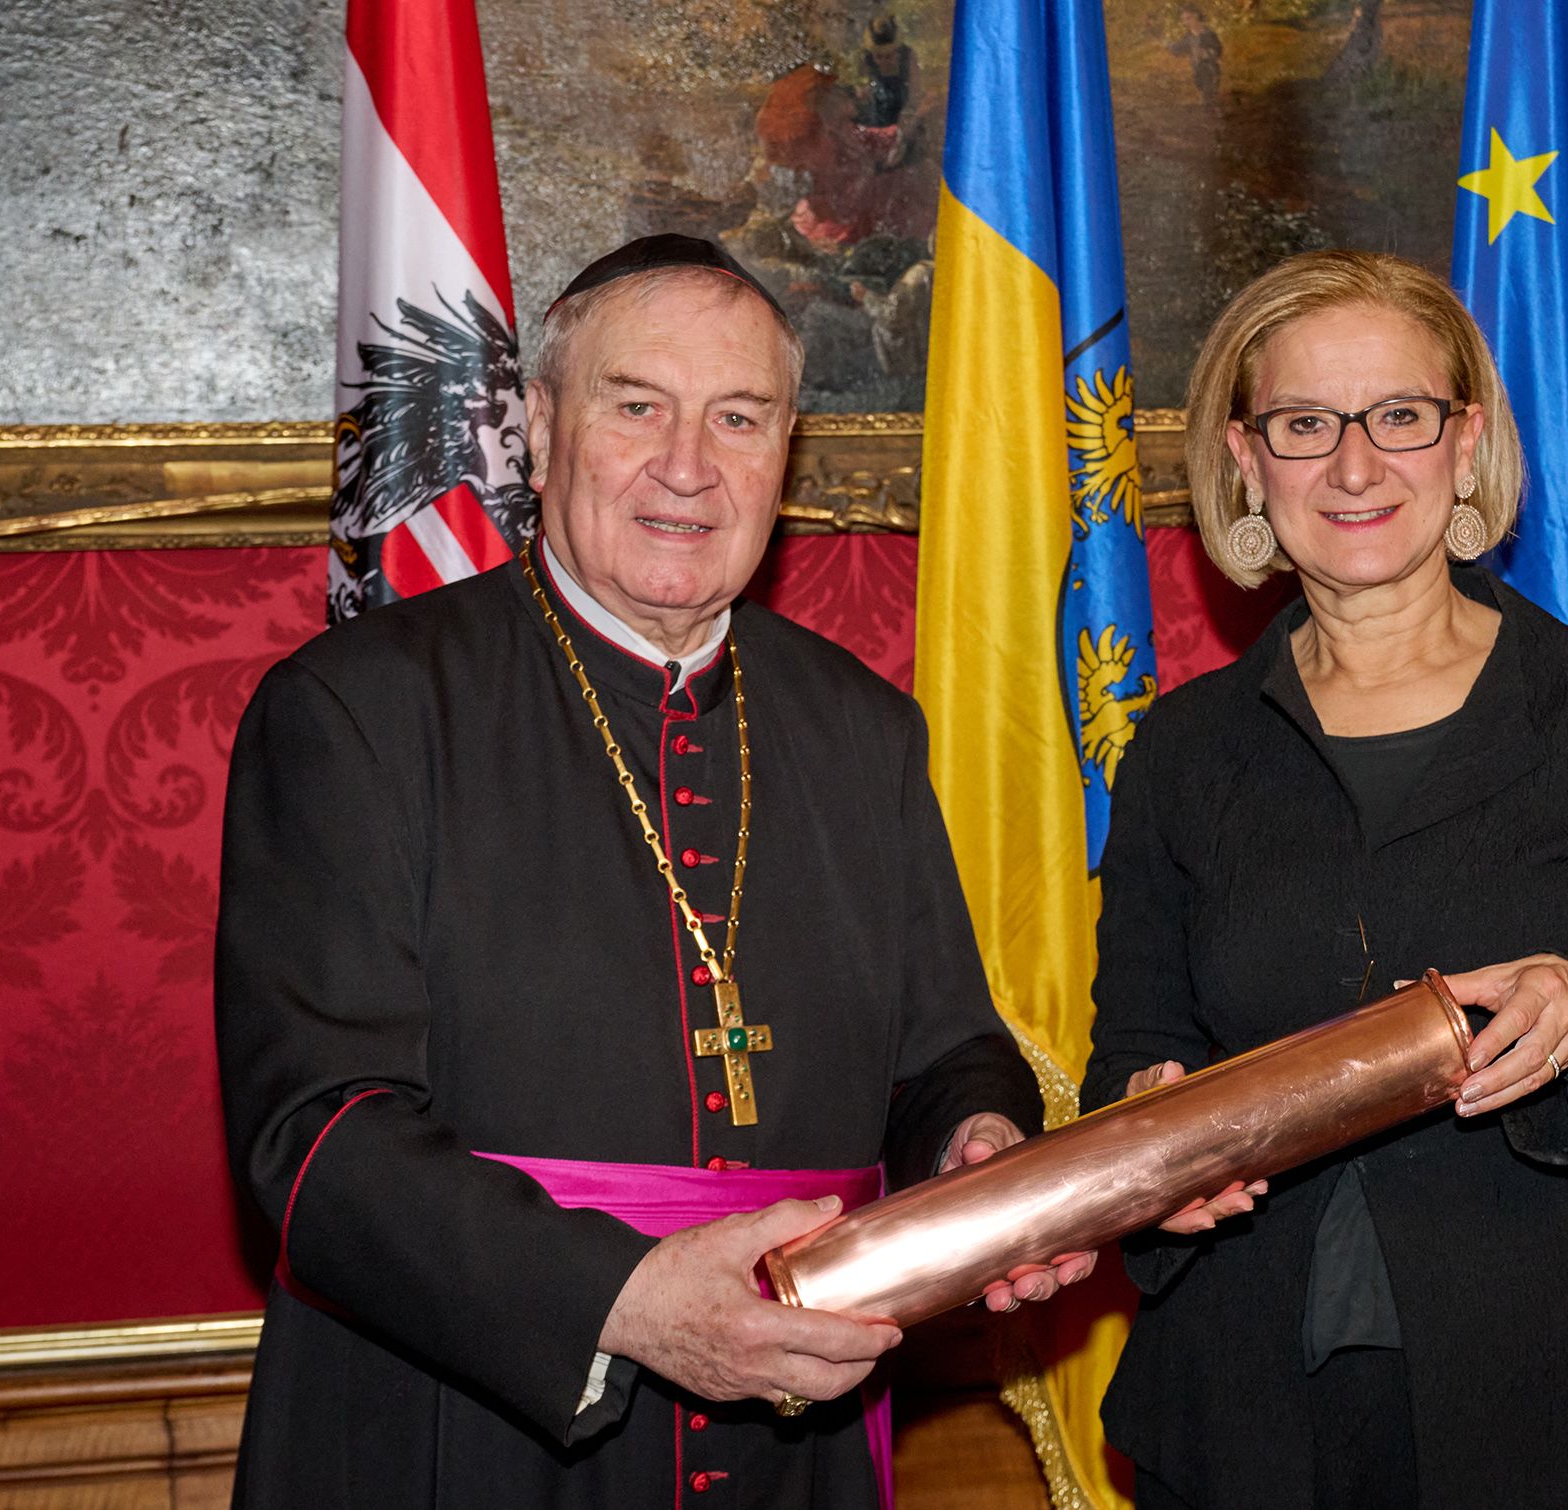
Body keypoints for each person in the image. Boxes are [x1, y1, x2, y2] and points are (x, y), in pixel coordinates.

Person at [216, 234, 1090, 1509]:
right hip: (463, 1429)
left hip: (800, 1435)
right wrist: (623, 1300)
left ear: (785, 451)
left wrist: (977, 1141)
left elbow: (942, 1048)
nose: (688, 466)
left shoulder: (859, 728)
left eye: (738, 417)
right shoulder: (360, 710)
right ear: (537, 425)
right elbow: (315, 1134)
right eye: (638, 407)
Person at [1079, 249, 1568, 1510]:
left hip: (1555, 1415)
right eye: (1304, 425)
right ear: (1245, 458)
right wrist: (1151, 1151)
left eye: (1398, 415)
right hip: (1235, 1425)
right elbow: (1130, 1056)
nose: (1353, 466)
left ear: (1465, 441)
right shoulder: (1181, 754)